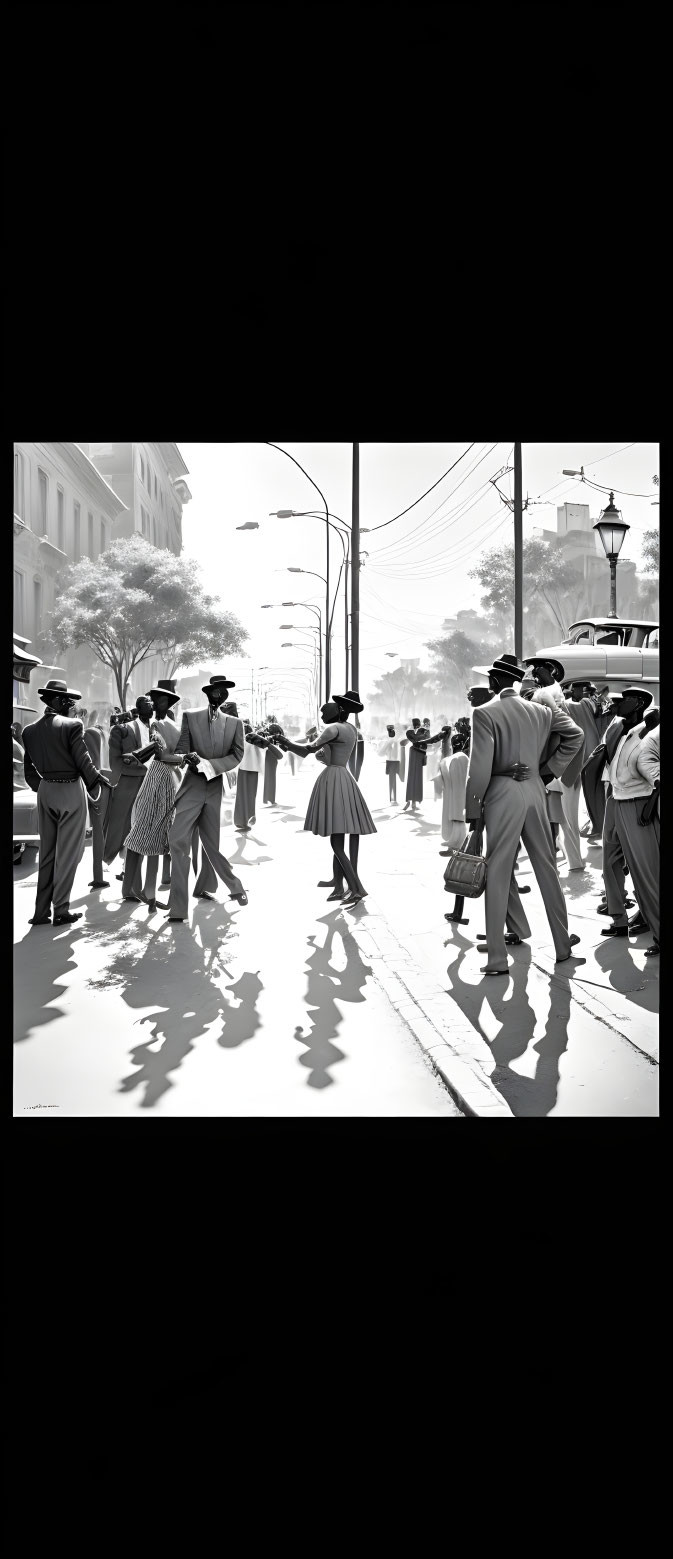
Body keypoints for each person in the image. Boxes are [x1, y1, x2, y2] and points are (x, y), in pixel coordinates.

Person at [465, 654, 585, 975]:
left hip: (501, 793)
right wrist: (547, 772)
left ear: (493, 682)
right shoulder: (542, 711)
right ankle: (562, 946)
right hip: (535, 791)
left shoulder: (484, 713)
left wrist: (472, 809)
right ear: (518, 681)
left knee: (499, 871)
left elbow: (479, 768)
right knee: (546, 868)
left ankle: (496, 958)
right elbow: (576, 735)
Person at [21, 678, 112, 926]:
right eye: (69, 700)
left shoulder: (28, 731)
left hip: (46, 791)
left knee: (47, 854)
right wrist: (97, 784)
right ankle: (61, 910)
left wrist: (45, 787)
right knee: (69, 854)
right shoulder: (73, 725)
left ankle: (41, 913)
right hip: (70, 789)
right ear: (59, 701)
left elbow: (29, 771)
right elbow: (84, 761)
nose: (72, 704)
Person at [277, 697, 376, 907]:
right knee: (338, 836)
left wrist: (285, 742)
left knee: (336, 841)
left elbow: (307, 750)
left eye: (325, 712)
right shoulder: (350, 728)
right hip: (345, 778)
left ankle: (357, 887)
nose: (323, 716)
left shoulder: (333, 729)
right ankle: (341, 887)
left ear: (337, 710)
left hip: (334, 779)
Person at [164, 674, 247, 922]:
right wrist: (186, 758)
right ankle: (178, 907)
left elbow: (237, 755)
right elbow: (182, 748)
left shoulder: (235, 723)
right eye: (215, 689)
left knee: (212, 845)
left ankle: (235, 886)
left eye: (224, 690)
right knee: (178, 839)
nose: (219, 693)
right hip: (191, 786)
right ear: (208, 692)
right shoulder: (191, 716)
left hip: (214, 787)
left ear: (227, 695)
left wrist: (210, 765)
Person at [601, 688, 659, 956]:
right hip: (615, 799)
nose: (617, 704)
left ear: (638, 703)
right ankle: (619, 917)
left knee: (644, 870)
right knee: (609, 860)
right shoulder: (618, 729)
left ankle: (653, 925)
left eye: (623, 700)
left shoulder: (650, 732)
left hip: (638, 802)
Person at [122, 685, 187, 910]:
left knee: (147, 829)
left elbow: (161, 754)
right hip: (171, 777)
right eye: (153, 700)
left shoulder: (158, 725)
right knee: (157, 836)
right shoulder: (172, 725)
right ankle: (148, 894)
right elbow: (163, 752)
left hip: (159, 777)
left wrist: (179, 758)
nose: (153, 703)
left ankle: (146, 893)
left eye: (157, 701)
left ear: (166, 703)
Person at [105, 698, 154, 875]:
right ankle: (126, 866)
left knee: (145, 825)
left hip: (153, 780)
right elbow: (114, 761)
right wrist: (133, 765)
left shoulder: (158, 728)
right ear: (138, 708)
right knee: (124, 824)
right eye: (146, 704)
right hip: (128, 782)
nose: (151, 707)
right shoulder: (121, 729)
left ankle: (136, 868)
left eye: (152, 704)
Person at [234, 722, 266, 830]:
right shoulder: (255, 741)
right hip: (253, 770)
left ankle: (241, 821)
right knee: (251, 796)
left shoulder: (244, 741)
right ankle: (249, 819)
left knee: (241, 796)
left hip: (243, 770)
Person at [403, 718, 427, 812]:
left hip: (416, 753)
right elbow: (417, 739)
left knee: (414, 777)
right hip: (418, 753)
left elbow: (417, 739)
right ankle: (412, 802)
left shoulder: (414, 732)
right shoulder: (414, 732)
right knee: (415, 777)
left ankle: (411, 801)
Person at [378, 724, 402, 803]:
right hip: (391, 761)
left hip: (396, 761)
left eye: (392, 730)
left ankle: (393, 798)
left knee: (394, 780)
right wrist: (388, 743)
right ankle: (392, 798)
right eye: (389, 731)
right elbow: (380, 753)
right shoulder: (387, 741)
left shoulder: (396, 740)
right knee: (392, 780)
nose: (391, 732)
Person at [262, 724, 284, 805]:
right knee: (271, 779)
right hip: (272, 758)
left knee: (267, 779)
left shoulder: (266, 738)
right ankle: (271, 799)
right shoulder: (272, 739)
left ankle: (266, 799)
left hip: (267, 758)